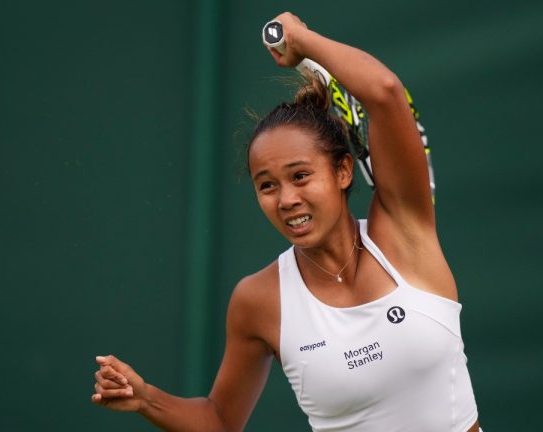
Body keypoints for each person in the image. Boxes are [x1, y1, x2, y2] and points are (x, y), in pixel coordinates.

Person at [91, 11, 481, 432]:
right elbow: (220, 420)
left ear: (344, 172)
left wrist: (302, 40)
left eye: (300, 176)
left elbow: (384, 92)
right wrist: (146, 398)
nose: (287, 199)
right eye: (267, 186)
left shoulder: (405, 232)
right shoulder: (258, 301)